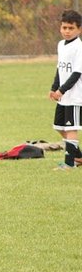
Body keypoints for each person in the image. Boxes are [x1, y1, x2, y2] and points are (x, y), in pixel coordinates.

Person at [49, 9, 82, 170]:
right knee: (59, 127)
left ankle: (70, 163)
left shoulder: (79, 48)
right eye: (64, 27)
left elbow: (76, 73)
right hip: (63, 96)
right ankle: (79, 157)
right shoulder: (61, 45)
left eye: (71, 28)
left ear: (79, 29)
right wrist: (54, 87)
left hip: (75, 96)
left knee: (70, 128)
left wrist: (61, 90)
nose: (67, 31)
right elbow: (59, 68)